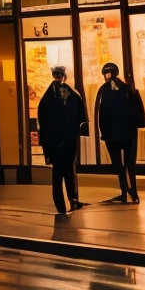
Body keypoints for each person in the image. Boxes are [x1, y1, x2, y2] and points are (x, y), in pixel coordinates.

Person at [37, 65, 88, 215]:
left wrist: (45, 144)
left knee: (57, 174)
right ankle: (73, 198)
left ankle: (60, 205)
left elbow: (42, 121)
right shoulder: (73, 94)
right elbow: (81, 117)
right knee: (69, 171)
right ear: (64, 76)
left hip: (54, 142)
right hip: (69, 140)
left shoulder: (47, 97)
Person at [94, 63, 144, 205]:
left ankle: (124, 192)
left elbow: (100, 114)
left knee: (118, 166)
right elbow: (137, 112)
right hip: (129, 134)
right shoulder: (128, 89)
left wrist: (103, 133)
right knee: (130, 165)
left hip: (111, 135)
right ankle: (133, 193)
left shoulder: (103, 91)